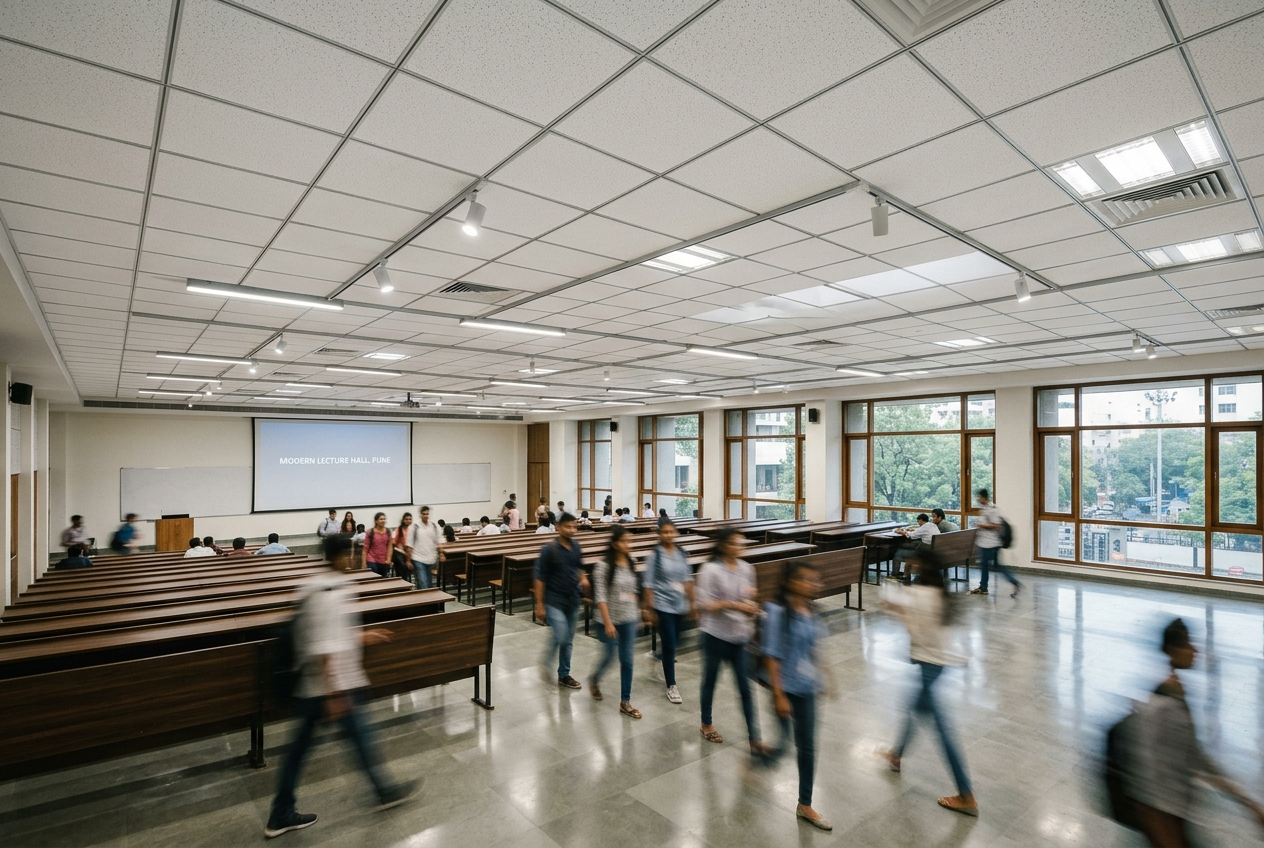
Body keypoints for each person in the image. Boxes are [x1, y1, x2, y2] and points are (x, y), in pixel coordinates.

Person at [265, 533, 418, 838]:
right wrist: (333, 693)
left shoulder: (322, 585)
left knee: (314, 748)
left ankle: (282, 811)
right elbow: (322, 645)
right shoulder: (329, 591)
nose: (353, 557)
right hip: (327, 686)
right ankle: (382, 791)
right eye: (350, 552)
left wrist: (364, 636)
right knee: (353, 739)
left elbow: (331, 633)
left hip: (326, 684)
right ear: (338, 555)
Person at [1125, 618, 1264, 846]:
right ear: (1172, 651)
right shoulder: (1166, 703)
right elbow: (1154, 768)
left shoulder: (1175, 691)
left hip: (1175, 811)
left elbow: (1191, 755)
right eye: (1188, 645)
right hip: (1165, 816)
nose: (1195, 650)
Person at [881, 548, 977, 816]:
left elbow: (903, 618)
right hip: (938, 664)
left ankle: (966, 794)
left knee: (942, 730)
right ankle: (896, 754)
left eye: (913, 563)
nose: (909, 566)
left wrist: (892, 606)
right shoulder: (940, 594)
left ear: (921, 566)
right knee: (913, 710)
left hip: (929, 665)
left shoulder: (917, 595)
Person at [761, 562, 832, 831]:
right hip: (786, 688)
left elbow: (814, 649)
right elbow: (771, 655)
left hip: (807, 687)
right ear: (791, 582)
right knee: (783, 743)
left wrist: (826, 679)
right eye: (805, 580)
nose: (812, 585)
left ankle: (805, 803)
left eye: (814, 580)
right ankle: (760, 759)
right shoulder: (777, 612)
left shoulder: (812, 611)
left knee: (808, 746)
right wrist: (778, 695)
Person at [696, 528, 770, 760]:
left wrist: (753, 609)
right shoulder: (710, 570)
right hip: (715, 635)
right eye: (735, 543)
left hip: (740, 637)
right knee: (710, 681)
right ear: (724, 545)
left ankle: (755, 738)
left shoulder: (747, 569)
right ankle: (706, 723)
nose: (740, 547)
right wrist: (737, 606)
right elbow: (705, 604)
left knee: (746, 689)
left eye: (741, 543)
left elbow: (749, 597)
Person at [591, 525, 643, 719]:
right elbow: (601, 597)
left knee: (627, 660)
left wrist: (637, 612)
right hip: (608, 619)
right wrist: (608, 622)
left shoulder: (631, 562)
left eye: (629, 541)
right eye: (623, 541)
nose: (628, 544)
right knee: (609, 656)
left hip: (629, 618)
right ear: (614, 544)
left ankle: (625, 701)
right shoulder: (603, 567)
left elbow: (633, 591)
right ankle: (595, 679)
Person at [643, 518, 695, 704]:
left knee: (677, 642)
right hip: (662, 604)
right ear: (659, 534)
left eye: (671, 532)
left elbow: (688, 579)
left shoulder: (681, 553)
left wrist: (692, 602)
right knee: (670, 645)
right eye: (664, 532)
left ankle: (659, 655)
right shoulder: (655, 556)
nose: (668, 535)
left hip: (679, 604)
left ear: (676, 533)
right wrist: (648, 608)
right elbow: (648, 584)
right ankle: (671, 685)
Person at [533, 513, 587, 690]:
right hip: (554, 599)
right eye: (568, 527)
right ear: (558, 527)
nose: (572, 530)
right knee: (561, 634)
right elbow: (539, 578)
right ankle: (546, 661)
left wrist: (583, 579)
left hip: (572, 598)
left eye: (574, 527)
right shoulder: (549, 550)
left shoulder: (576, 546)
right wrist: (539, 604)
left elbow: (578, 568)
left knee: (568, 640)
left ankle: (564, 674)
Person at [970, 488, 1019, 597]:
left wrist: (981, 525)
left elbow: (997, 525)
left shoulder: (992, 509)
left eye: (979, 497)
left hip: (990, 543)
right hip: (985, 542)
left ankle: (984, 587)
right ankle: (984, 587)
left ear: (984, 497)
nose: (978, 499)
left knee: (986, 565)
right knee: (993, 566)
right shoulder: (984, 508)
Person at [405, 506, 443, 590]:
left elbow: (439, 542)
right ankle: (426, 600)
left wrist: (441, 554)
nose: (426, 516)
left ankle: (425, 601)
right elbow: (409, 544)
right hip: (418, 558)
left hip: (431, 558)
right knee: (423, 583)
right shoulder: (414, 526)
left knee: (429, 583)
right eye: (424, 514)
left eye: (427, 514)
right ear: (420, 515)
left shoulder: (434, 526)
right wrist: (408, 560)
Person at [893, 513, 939, 578]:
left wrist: (903, 532)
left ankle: (895, 574)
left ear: (921, 520)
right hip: (933, 550)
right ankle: (903, 574)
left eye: (918, 522)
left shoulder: (924, 528)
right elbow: (920, 531)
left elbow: (912, 536)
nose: (918, 523)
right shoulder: (933, 525)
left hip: (925, 552)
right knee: (908, 546)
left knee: (898, 553)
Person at [392, 514, 414, 584]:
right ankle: (402, 583)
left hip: (410, 552)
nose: (408, 521)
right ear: (403, 520)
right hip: (400, 552)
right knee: (402, 565)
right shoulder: (398, 530)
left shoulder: (413, 529)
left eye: (410, 519)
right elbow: (394, 543)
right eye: (406, 519)